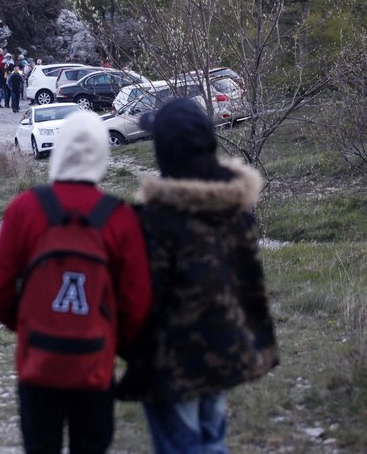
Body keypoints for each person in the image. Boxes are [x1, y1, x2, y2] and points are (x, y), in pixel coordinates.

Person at [0, 110, 152, 454]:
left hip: (38, 362)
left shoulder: (25, 208)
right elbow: (137, 303)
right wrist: (111, 340)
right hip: (94, 365)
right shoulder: (119, 216)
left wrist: (27, 324)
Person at [117, 98, 279, 454]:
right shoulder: (237, 212)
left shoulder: (154, 222)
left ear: (165, 154)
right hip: (224, 350)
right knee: (212, 440)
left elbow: (141, 297)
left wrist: (129, 348)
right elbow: (251, 289)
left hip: (171, 363)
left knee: (183, 446)